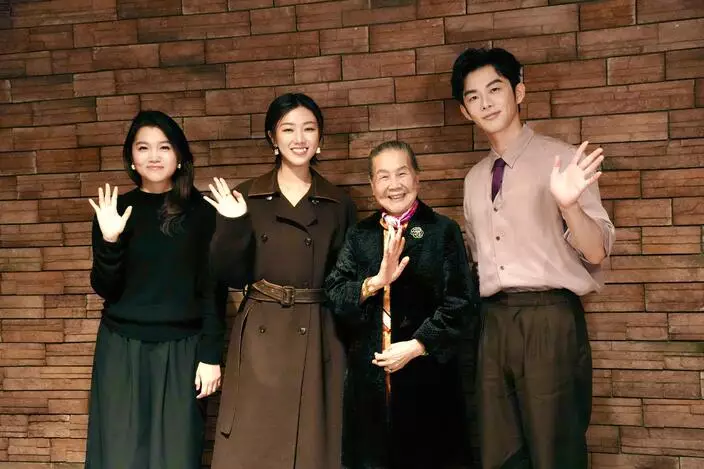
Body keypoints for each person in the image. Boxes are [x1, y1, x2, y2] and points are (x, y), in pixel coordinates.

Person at [451, 47, 615, 469]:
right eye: (473, 97)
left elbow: (596, 250)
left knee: (553, 448)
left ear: (519, 91)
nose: (485, 103)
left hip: (549, 319)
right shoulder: (473, 179)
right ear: (465, 111)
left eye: (495, 89)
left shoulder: (563, 161)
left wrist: (569, 205)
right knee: (499, 451)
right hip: (493, 323)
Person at [206, 93, 357, 469]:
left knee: (315, 446)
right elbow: (229, 275)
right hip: (262, 329)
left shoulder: (339, 203)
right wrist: (232, 224)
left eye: (309, 128)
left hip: (319, 332)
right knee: (256, 443)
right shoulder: (247, 196)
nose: (299, 138)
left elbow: (346, 281)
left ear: (320, 138)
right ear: (272, 138)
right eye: (288, 129)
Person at [85, 110, 225, 469]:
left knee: (177, 456)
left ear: (179, 155)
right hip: (121, 348)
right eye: (143, 147)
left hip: (183, 349)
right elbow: (106, 287)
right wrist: (110, 240)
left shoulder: (203, 212)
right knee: (119, 454)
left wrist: (211, 356)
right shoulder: (115, 210)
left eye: (164, 147)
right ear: (131, 157)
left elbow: (213, 289)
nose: (154, 156)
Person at [325, 140, 475, 469]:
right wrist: (375, 282)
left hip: (428, 381)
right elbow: (335, 293)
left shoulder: (442, 231)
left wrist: (418, 345)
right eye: (383, 176)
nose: (394, 185)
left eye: (402, 173)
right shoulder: (359, 235)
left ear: (417, 178)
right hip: (369, 385)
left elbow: (461, 302)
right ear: (372, 185)